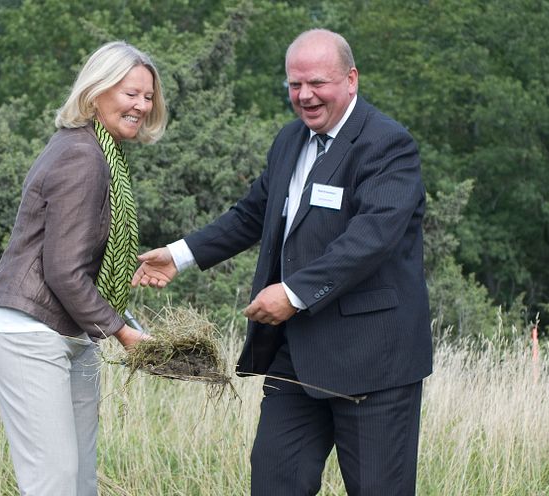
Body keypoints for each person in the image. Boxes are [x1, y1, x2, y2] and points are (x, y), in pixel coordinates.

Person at [132, 29, 432, 495]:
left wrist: (292, 293)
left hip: (375, 363)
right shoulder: (290, 140)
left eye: (317, 83)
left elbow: (371, 238)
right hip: (297, 357)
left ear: (351, 80)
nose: (304, 96)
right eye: (294, 85)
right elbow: (253, 213)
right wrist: (179, 254)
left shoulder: (388, 144)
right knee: (274, 482)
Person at [0, 41, 167, 496]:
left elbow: (81, 254)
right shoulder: (83, 155)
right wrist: (121, 331)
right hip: (29, 332)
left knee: (81, 481)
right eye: (131, 94)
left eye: (148, 96)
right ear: (97, 90)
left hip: (74, 332)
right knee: (55, 483)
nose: (142, 106)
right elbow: (64, 269)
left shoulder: (102, 152)